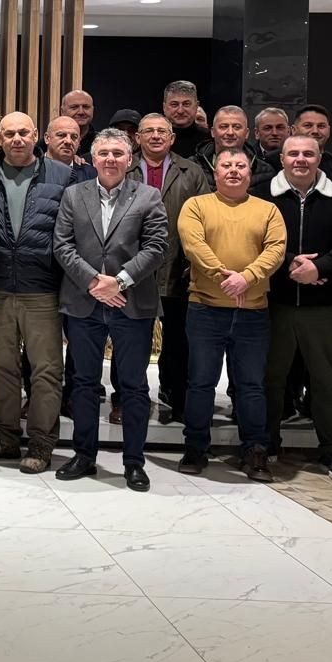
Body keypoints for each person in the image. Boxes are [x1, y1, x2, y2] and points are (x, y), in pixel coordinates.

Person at [53, 129, 168, 492]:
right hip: (84, 303)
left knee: (134, 386)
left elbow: (156, 247)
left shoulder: (148, 196)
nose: (110, 159)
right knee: (84, 384)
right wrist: (93, 282)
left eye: (118, 153)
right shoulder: (74, 195)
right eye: (103, 153)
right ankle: (84, 455)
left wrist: (119, 282)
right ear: (93, 158)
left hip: (131, 303)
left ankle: (134, 462)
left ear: (130, 158)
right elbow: (62, 245)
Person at [254, 133, 332, 479]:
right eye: (293, 154)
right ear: (282, 159)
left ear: (320, 157)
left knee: (328, 381)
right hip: (274, 303)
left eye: (308, 153)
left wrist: (321, 268)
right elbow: (253, 240)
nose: (300, 159)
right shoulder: (261, 194)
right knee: (269, 379)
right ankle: (263, 445)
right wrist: (291, 264)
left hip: (326, 304)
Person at [176, 148, 286, 480]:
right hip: (205, 309)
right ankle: (196, 447)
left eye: (240, 166)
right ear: (215, 173)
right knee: (200, 383)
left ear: (250, 174)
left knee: (251, 386)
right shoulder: (196, 206)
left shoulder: (268, 210)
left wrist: (248, 278)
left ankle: (255, 450)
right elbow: (193, 245)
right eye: (227, 165)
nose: (234, 170)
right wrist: (225, 277)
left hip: (253, 312)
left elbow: (276, 249)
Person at [0, 111, 72, 473]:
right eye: (9, 134)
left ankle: (41, 442)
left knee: (46, 371)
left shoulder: (63, 175)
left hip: (42, 290)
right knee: (1, 368)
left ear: (36, 135)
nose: (16, 139)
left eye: (23, 132)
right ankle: (4, 436)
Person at [130, 113, 208, 427]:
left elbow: (205, 217)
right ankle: (128, 399)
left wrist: (194, 262)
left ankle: (177, 398)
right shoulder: (124, 167)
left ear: (172, 138)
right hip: (133, 271)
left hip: (178, 269)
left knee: (178, 340)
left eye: (162, 131)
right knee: (131, 340)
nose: (156, 136)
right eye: (149, 131)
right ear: (138, 137)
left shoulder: (192, 171)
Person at [194, 105, 264, 178]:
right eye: (224, 127)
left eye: (237, 127)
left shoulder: (265, 170)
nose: (230, 132)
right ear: (213, 132)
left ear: (247, 133)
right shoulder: (192, 167)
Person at [161, 80, 206, 160]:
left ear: (196, 106)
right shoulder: (153, 139)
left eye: (186, 104)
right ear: (164, 107)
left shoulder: (208, 140)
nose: (180, 111)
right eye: (174, 104)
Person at [42, 115, 92, 180]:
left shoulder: (90, 175)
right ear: (47, 138)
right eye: (61, 135)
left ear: (79, 142)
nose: (68, 141)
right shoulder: (32, 169)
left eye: (74, 137)